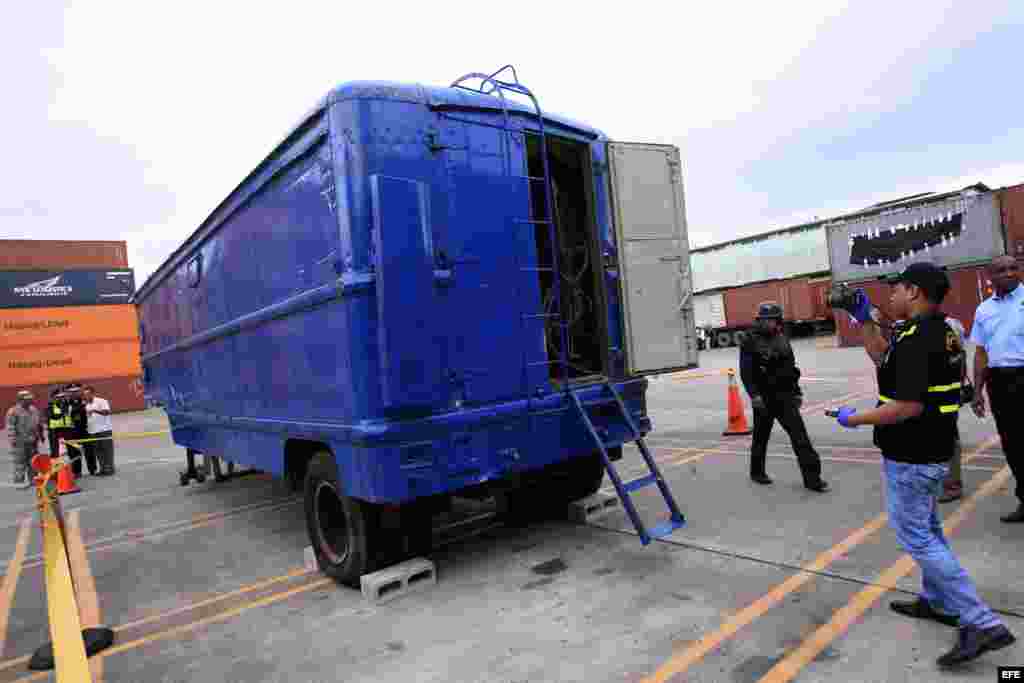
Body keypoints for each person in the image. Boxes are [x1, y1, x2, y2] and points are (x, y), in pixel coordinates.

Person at [831, 261, 1014, 668]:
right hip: (930, 450)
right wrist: (864, 320)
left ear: (913, 292)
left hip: (912, 455)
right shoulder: (936, 332)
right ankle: (937, 600)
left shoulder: (919, 339)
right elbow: (884, 359)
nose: (891, 296)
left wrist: (854, 419)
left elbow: (906, 406)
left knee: (917, 537)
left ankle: (980, 621)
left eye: (896, 289)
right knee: (928, 529)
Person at [739, 301, 829, 492]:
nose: (770, 323)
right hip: (763, 398)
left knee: (800, 438)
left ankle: (813, 479)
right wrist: (754, 395)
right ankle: (757, 472)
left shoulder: (782, 338)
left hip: (784, 396)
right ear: (760, 321)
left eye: (773, 319)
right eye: (766, 320)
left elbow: (791, 369)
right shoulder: (749, 340)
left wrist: (797, 392)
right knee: (761, 438)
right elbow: (746, 372)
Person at [967, 255, 1024, 522]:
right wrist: (977, 391)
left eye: (1014, 268)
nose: (1010, 273)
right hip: (999, 382)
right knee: (1012, 444)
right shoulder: (983, 310)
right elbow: (981, 353)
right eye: (1002, 270)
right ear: (990, 277)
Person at [938, 315, 969, 503]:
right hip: (925, 396)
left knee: (948, 439)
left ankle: (952, 485)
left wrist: (957, 389)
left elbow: (957, 359)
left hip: (944, 395)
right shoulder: (910, 326)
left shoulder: (948, 326)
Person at [6, 390, 43, 489]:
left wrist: (40, 435)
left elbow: (38, 423)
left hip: (33, 441)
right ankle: (19, 482)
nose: (30, 401)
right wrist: (12, 439)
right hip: (20, 442)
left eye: (30, 399)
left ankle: (34, 480)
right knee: (20, 463)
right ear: (20, 400)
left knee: (34, 462)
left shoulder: (34, 410)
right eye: (27, 399)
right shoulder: (13, 411)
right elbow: (10, 426)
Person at [82, 386, 115, 476]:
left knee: (107, 450)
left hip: (104, 430)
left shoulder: (101, 401)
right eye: (85, 394)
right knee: (98, 451)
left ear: (93, 393)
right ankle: (102, 468)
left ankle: (110, 468)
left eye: (88, 394)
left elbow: (107, 412)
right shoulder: (86, 405)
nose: (86, 396)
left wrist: (94, 410)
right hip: (93, 431)